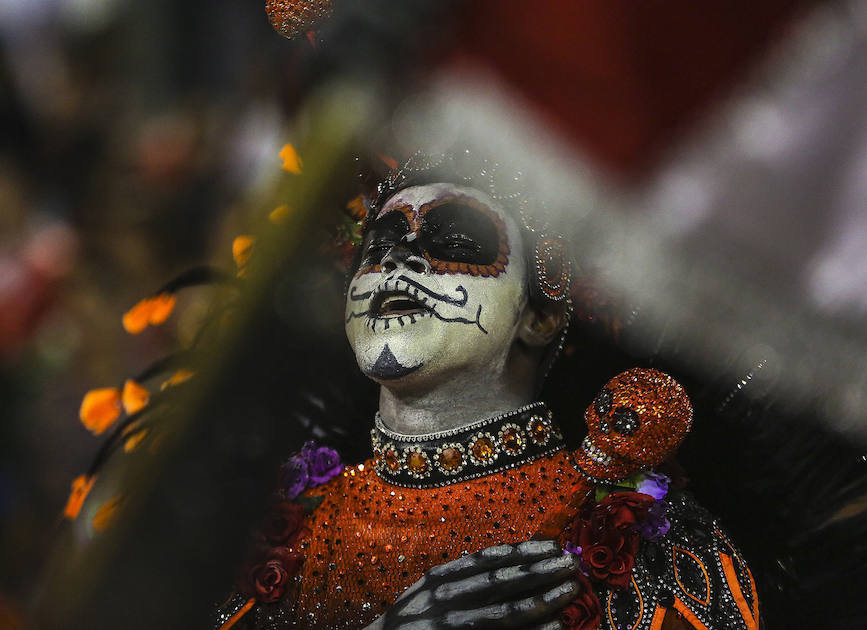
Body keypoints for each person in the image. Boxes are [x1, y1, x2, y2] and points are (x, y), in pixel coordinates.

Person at [213, 153, 762, 630]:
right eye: (377, 249)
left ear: (539, 317)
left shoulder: (633, 533)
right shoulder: (285, 529)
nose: (397, 261)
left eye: (456, 243)